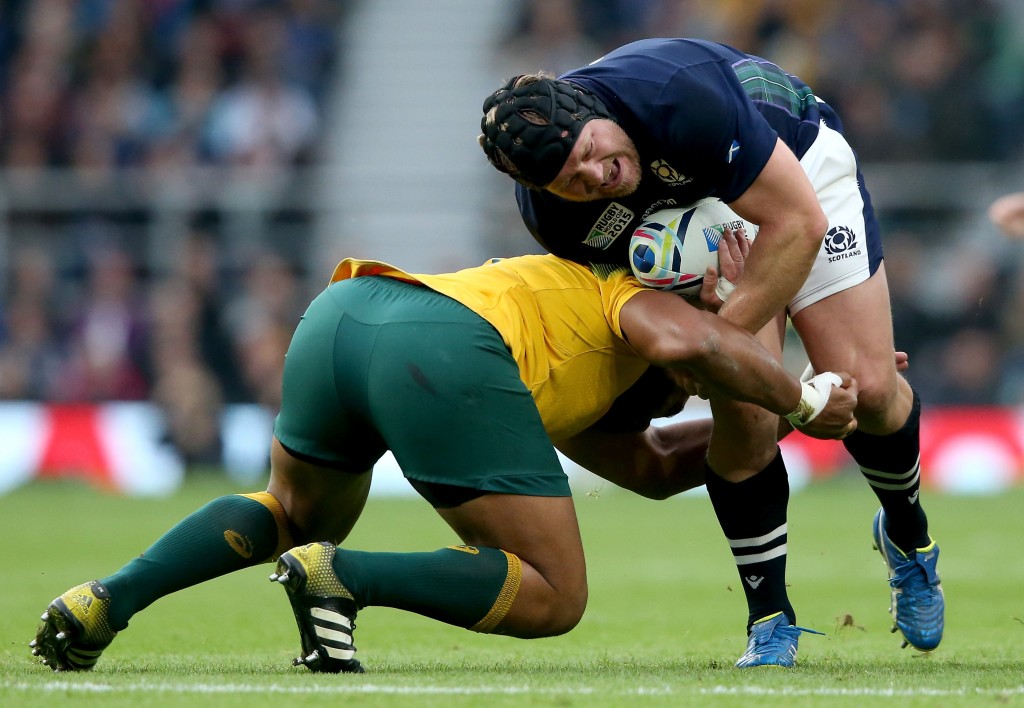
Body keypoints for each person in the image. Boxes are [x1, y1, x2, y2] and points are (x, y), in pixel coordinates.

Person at [30, 244, 857, 673]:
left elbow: (653, 469)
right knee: (555, 594)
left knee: (290, 507)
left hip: (348, 313)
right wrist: (805, 398)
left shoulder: (569, 361)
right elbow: (689, 338)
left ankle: (105, 600)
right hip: (448, 349)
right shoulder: (632, 297)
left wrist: (779, 421)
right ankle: (342, 578)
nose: (697, 384)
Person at [479, 37, 944, 667]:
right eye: (570, 181)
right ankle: (770, 620)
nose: (594, 176)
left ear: (592, 110)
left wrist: (716, 341)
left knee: (869, 389)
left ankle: (908, 537)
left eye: (591, 151)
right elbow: (647, 312)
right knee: (744, 423)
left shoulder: (675, 95)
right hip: (698, 233)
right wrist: (705, 343)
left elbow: (796, 223)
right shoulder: (554, 217)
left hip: (794, 173)